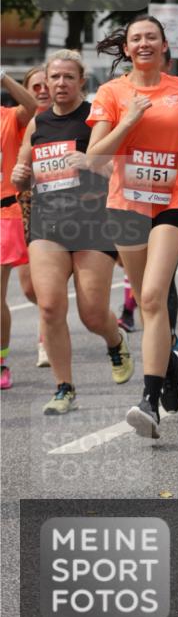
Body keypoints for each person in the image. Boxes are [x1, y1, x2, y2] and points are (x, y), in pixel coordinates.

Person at [87, 15, 178, 438]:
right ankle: (168, 362)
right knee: (152, 302)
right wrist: (128, 120)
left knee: (151, 296)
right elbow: (96, 158)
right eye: (136, 38)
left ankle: (148, 402)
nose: (144, 43)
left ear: (164, 45)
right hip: (127, 205)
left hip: (174, 201)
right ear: (127, 48)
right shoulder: (112, 93)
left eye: (152, 36)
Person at [11, 51, 134, 412]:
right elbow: (24, 169)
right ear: (46, 82)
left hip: (92, 224)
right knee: (49, 306)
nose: (61, 83)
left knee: (92, 313)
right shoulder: (38, 122)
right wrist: (20, 175)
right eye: (55, 77)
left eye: (68, 77)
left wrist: (92, 163)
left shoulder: (96, 118)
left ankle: (114, 340)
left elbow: (123, 171)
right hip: (47, 224)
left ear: (82, 81)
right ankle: (64, 387)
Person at [0, 69, 37, 389]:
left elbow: (34, 107)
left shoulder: (9, 117)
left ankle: (0, 362)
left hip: (3, 213)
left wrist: (3, 77)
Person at [15, 66, 53, 367]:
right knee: (28, 287)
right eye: (35, 86)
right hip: (22, 206)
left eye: (45, 85)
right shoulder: (20, 119)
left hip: (60, 210)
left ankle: (47, 338)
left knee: (46, 286)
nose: (42, 91)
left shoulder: (67, 119)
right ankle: (51, 316)